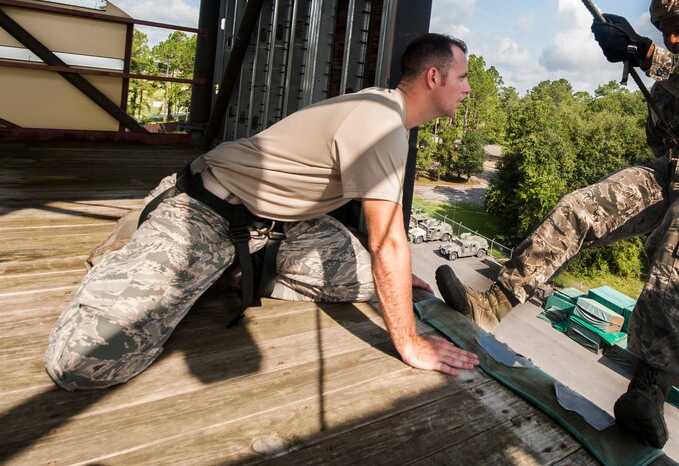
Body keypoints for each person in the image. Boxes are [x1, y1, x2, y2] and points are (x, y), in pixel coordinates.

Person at [435, 0, 679, 448]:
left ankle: (649, 390)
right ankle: (492, 304)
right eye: (663, 30)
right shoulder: (667, 78)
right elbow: (660, 138)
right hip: (673, 169)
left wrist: (646, 53)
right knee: (581, 207)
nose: (672, 38)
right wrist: (637, 59)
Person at [46, 32, 480, 390]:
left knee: (374, 283)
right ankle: (139, 249)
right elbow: (387, 240)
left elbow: (385, 248)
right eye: (462, 77)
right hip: (205, 210)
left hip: (277, 225)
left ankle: (228, 269)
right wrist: (409, 343)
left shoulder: (385, 110)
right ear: (434, 77)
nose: (468, 88)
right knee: (85, 364)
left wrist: (398, 278)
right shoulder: (383, 126)